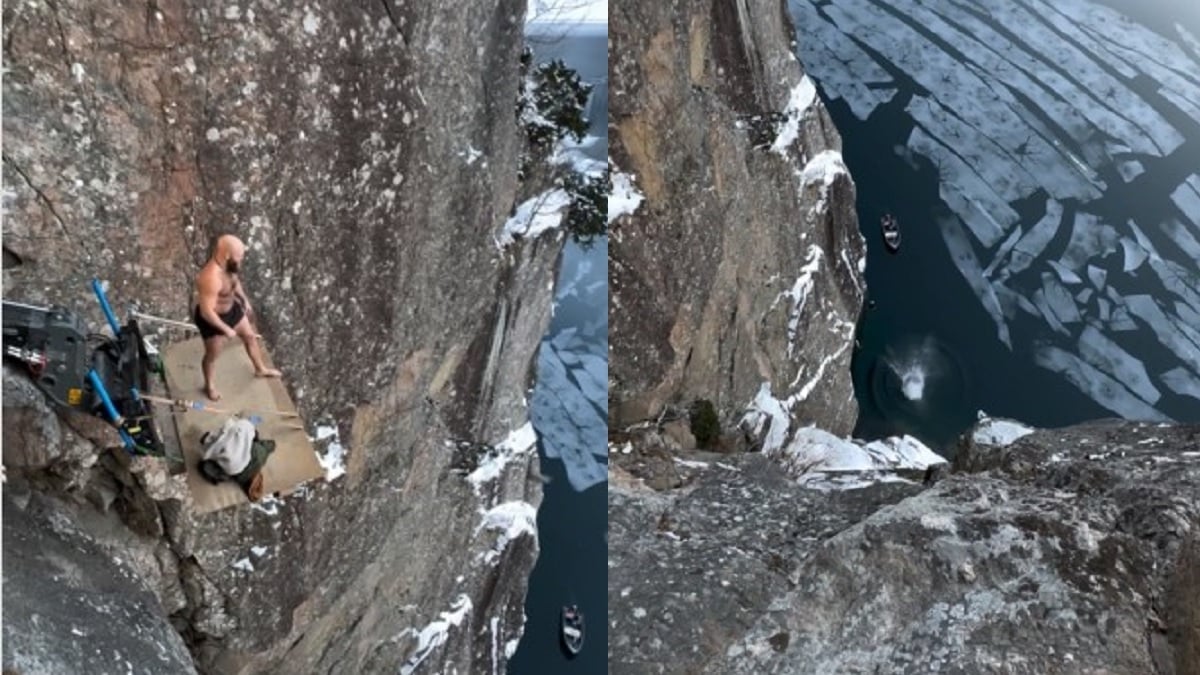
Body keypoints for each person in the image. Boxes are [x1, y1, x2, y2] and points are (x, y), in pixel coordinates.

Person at [192, 234, 280, 400]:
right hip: (214, 320)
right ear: (226, 255)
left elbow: (235, 283)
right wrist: (226, 329)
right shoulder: (210, 278)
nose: (241, 261)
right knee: (212, 356)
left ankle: (260, 368)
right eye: (239, 257)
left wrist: (244, 300)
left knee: (250, 337)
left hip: (232, 310)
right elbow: (206, 312)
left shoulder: (229, 266)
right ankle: (209, 386)